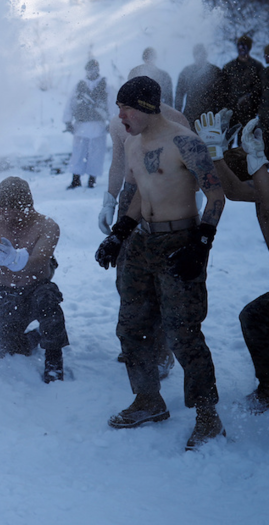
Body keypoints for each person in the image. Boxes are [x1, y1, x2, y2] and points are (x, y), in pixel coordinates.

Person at [95, 76, 226, 451]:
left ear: (147, 107)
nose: (120, 116)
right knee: (131, 327)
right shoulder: (133, 143)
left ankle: (207, 417)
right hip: (143, 241)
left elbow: (216, 197)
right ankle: (147, 400)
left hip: (181, 241)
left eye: (126, 108)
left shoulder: (184, 141)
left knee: (184, 333)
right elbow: (141, 193)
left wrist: (201, 245)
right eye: (119, 108)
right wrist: (120, 232)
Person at [98, 102, 191, 379]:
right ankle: (138, 341)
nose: (124, 111)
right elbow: (118, 161)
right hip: (131, 195)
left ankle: (161, 348)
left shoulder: (175, 120)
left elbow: (187, 166)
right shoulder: (119, 123)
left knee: (160, 278)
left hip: (166, 197)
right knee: (126, 272)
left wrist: (190, 204)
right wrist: (109, 200)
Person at [198, 113, 269, 413]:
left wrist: (257, 161)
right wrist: (215, 155)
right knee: (254, 318)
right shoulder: (262, 178)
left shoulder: (264, 178)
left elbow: (267, 203)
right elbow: (235, 191)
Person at [0, 176, 69, 382]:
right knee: (1, 347)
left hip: (36, 288)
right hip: (6, 291)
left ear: (24, 205)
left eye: (6, 207)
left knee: (48, 300)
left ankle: (54, 359)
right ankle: (34, 338)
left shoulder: (47, 226)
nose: (1, 212)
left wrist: (16, 258)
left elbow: (40, 261)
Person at [63, 59, 116, 189]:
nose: (92, 71)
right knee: (78, 153)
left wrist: (112, 122)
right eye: (89, 69)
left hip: (98, 125)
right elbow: (71, 103)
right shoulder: (79, 86)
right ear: (86, 70)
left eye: (94, 69)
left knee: (96, 154)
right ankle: (76, 179)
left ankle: (92, 179)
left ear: (98, 70)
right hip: (81, 125)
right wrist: (68, 121)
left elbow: (112, 105)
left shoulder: (106, 86)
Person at [219, 35, 264, 140]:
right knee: (226, 143)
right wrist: (224, 106)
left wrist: (249, 97)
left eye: (244, 46)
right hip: (230, 112)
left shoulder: (257, 67)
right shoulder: (229, 67)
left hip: (249, 113)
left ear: (249, 48)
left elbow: (261, 88)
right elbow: (221, 89)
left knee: (245, 144)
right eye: (239, 45)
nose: (241, 48)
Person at [175, 44, 223, 129]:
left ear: (206, 54)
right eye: (197, 54)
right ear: (194, 55)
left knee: (207, 141)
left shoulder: (215, 71)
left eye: (202, 53)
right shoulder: (186, 71)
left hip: (209, 117)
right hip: (190, 116)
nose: (199, 56)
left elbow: (221, 96)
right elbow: (179, 93)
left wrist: (218, 114)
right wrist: (178, 113)